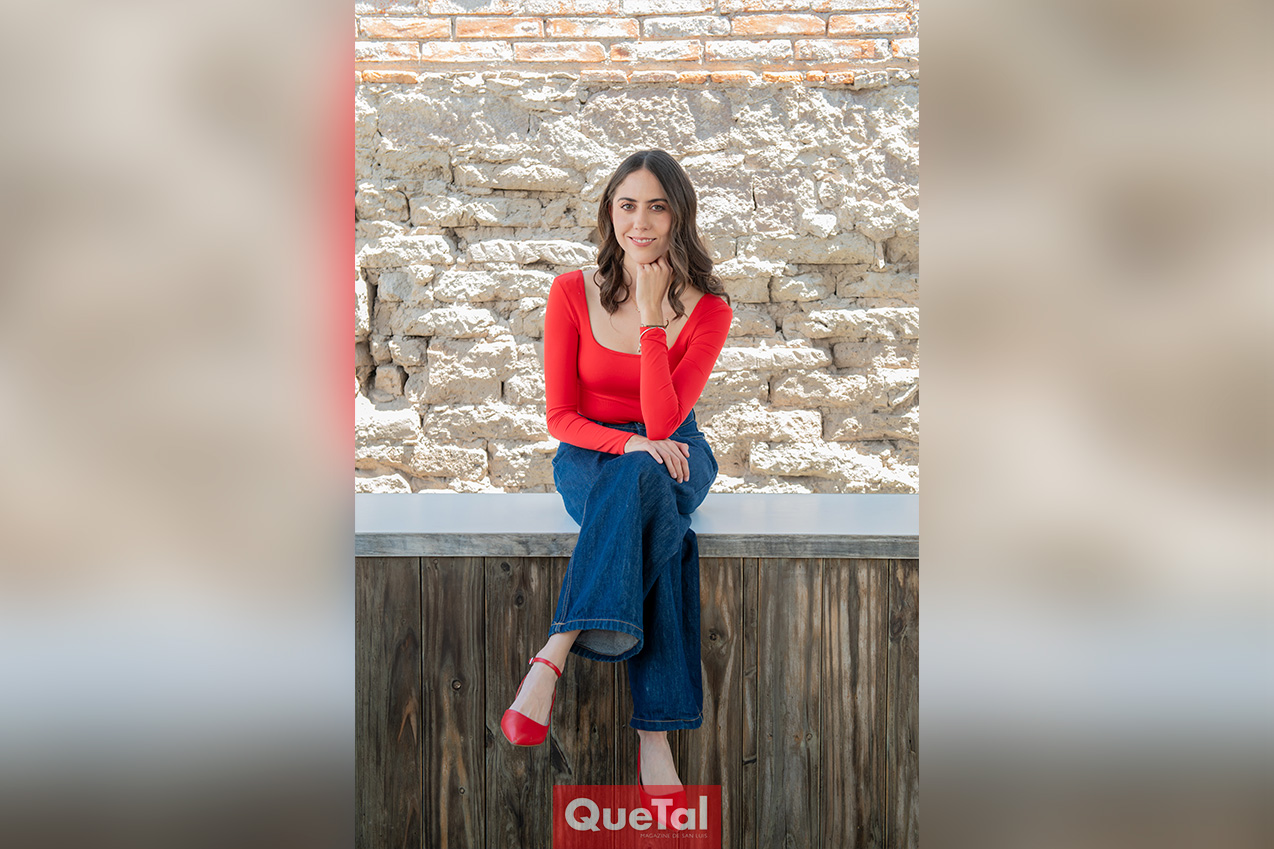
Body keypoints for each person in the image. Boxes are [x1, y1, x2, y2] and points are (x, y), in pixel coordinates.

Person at [500, 149, 733, 807]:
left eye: (658, 206)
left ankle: (555, 650)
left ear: (679, 215)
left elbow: (664, 421)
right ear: (610, 212)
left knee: (648, 485)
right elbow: (560, 417)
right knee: (662, 524)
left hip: (678, 448)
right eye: (627, 205)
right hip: (592, 452)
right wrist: (631, 444)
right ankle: (655, 737)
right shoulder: (570, 293)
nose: (641, 222)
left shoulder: (709, 310)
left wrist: (654, 318)